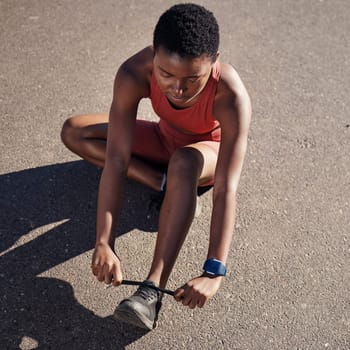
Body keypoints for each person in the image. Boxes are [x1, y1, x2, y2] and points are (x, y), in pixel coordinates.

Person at [61, 3, 251, 330]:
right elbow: (117, 161)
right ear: (154, 58)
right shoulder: (134, 72)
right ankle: (161, 182)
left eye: (193, 79)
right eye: (166, 74)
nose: (178, 89)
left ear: (214, 62)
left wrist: (213, 271)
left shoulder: (230, 94)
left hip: (205, 156)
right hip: (164, 140)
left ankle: (150, 293)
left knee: (184, 161)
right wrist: (104, 241)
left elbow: (225, 189)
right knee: (75, 131)